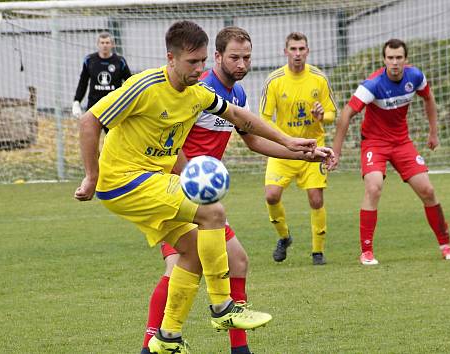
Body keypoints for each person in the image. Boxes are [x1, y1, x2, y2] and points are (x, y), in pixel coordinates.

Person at [74, 21, 323, 354]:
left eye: (203, 61)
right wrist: (91, 175)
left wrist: (291, 142)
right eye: (193, 62)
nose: (199, 69)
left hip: (157, 183)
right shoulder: (144, 85)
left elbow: (242, 119)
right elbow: (90, 120)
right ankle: (222, 308)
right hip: (124, 180)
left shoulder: (199, 93)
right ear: (171, 58)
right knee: (213, 212)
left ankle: (167, 338)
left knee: (191, 253)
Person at [140, 26, 335, 354]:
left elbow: (254, 141)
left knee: (238, 261)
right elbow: (170, 140)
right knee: (179, 266)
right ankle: (150, 346)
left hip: (202, 196)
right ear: (217, 57)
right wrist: (190, 176)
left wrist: (305, 151)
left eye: (247, 57)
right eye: (234, 57)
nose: (242, 63)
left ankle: (239, 349)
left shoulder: (237, 96)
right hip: (174, 188)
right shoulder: (199, 90)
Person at [331, 38, 450, 265]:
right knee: (374, 187)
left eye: (399, 58)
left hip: (401, 143)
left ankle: (445, 245)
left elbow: (428, 98)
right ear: (384, 60)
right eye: (390, 58)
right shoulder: (372, 85)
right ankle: (367, 251)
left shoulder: (415, 77)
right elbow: (346, 114)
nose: (394, 62)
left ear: (406, 60)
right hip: (374, 143)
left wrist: (433, 132)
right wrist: (336, 153)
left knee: (428, 190)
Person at [259, 32, 337, 265]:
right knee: (271, 195)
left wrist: (323, 116)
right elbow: (264, 118)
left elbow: (332, 113)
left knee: (315, 199)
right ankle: (284, 237)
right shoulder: (274, 80)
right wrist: (282, 139)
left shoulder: (318, 78)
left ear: (307, 51)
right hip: (284, 149)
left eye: (301, 49)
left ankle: (317, 252)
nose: (297, 53)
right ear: (285, 52)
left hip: (313, 148)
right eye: (293, 49)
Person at [72, 32, 131, 133]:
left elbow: (129, 82)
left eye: (107, 42)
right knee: (90, 137)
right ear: (98, 44)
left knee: (113, 140)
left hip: (114, 107)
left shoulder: (120, 61)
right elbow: (83, 81)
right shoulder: (89, 60)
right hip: (94, 106)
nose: (105, 45)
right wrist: (77, 101)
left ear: (112, 44)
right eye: (102, 42)